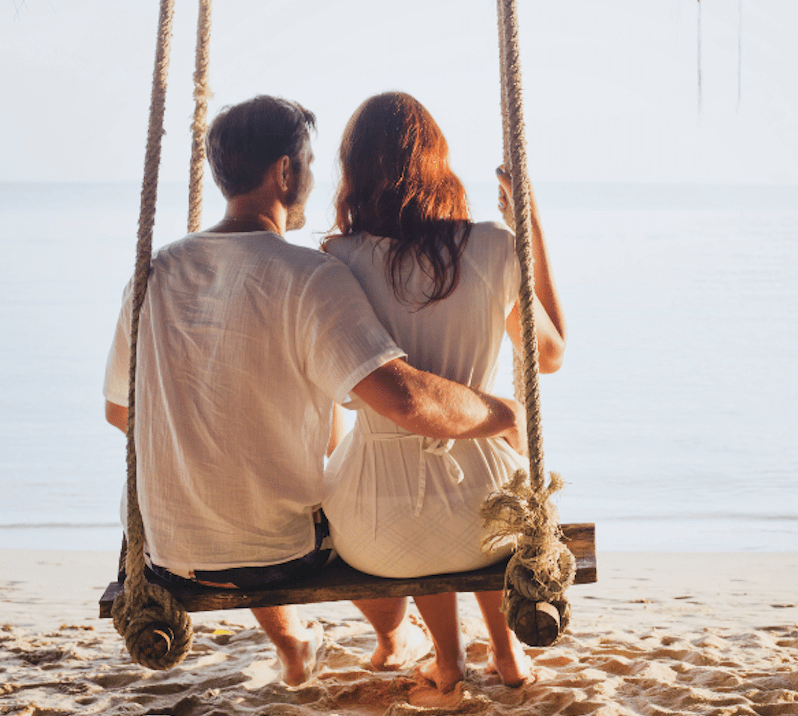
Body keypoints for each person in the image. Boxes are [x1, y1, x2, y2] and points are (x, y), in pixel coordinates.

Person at [102, 95, 527, 686]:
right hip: (278, 559)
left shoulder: (154, 271)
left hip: (166, 555)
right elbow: (405, 400)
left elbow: (119, 412)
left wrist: (208, 453)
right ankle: (394, 635)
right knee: (335, 507)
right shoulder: (309, 276)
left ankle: (302, 645)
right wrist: (501, 411)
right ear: (284, 172)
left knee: (275, 492)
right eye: (306, 161)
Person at [321, 92, 566, 692]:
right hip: (488, 508)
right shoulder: (491, 247)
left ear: (352, 172)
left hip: (378, 529)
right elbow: (551, 354)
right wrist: (527, 228)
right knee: (485, 509)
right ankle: (508, 659)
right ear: (438, 161)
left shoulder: (337, 260)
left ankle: (449, 662)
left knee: (419, 516)